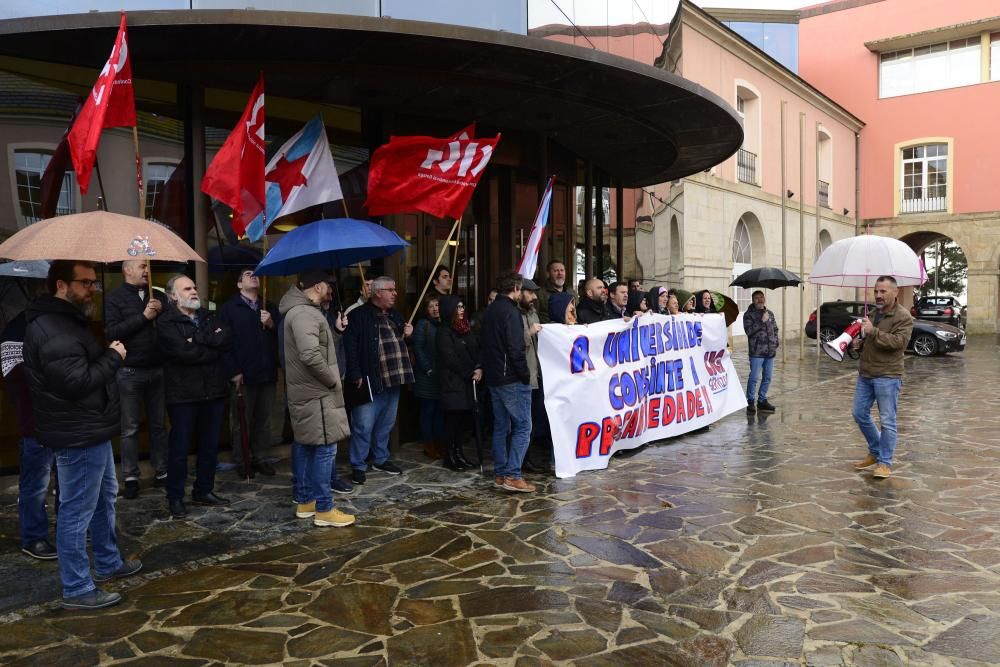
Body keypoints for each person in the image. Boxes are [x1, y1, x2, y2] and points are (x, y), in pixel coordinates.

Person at [23, 260, 141, 610]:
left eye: (94, 283)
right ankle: (76, 588)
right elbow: (77, 382)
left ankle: (107, 562)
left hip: (90, 426)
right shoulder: (51, 327)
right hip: (76, 431)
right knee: (76, 511)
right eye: (85, 283)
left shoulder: (68, 321)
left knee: (104, 498)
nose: (92, 289)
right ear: (61, 285)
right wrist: (113, 356)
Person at [280, 271, 355, 527]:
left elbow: (319, 345)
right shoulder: (303, 313)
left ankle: (306, 501)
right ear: (319, 286)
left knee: (306, 445)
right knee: (325, 449)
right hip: (317, 395)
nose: (330, 292)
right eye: (329, 287)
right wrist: (332, 380)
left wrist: (335, 330)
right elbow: (311, 355)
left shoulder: (304, 312)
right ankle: (324, 508)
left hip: (310, 394)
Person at [158, 274, 232, 518]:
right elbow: (183, 353)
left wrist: (196, 340)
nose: (193, 291)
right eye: (187, 288)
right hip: (183, 395)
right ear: (173, 296)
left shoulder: (209, 316)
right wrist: (206, 344)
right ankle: (176, 496)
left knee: (210, 445)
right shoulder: (166, 322)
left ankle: (204, 490)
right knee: (179, 448)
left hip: (213, 390)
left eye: (194, 287)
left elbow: (223, 339)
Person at [104, 258, 167, 499]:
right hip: (129, 371)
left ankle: (162, 470)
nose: (146, 271)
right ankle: (131, 476)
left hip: (157, 369)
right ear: (127, 270)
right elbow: (112, 332)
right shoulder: (114, 298)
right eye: (142, 266)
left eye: (148, 267)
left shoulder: (158, 296)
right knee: (129, 428)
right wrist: (144, 316)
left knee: (159, 425)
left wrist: (161, 313)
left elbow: (170, 326)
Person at [343, 275, 414, 485]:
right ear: (377, 293)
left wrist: (408, 333)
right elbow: (350, 347)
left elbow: (401, 340)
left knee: (386, 422)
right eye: (391, 290)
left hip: (395, 377)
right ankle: (358, 464)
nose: (395, 293)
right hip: (369, 379)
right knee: (363, 425)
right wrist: (355, 374)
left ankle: (381, 458)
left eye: (395, 289)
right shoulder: (357, 315)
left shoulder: (396, 315)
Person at [3, 308, 56, 560]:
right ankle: (33, 537)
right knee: (36, 484)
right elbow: (14, 376)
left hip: (67, 419)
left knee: (70, 481)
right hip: (35, 421)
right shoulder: (16, 328)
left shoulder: (60, 321)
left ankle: (74, 529)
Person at [851, 276, 913, 480]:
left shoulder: (903, 317)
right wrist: (859, 344)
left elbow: (899, 343)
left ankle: (884, 463)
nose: (878, 295)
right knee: (859, 413)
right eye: (876, 291)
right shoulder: (873, 313)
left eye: (883, 291)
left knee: (887, 420)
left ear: (895, 293)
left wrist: (873, 331)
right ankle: (876, 449)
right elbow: (872, 339)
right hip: (866, 373)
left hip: (888, 375)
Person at [219, 269, 279, 477]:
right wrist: (233, 371)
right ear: (238, 284)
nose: (254, 275)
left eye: (256, 274)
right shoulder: (228, 309)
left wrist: (272, 324)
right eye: (247, 274)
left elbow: (281, 338)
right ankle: (241, 459)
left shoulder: (269, 307)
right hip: (242, 375)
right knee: (241, 421)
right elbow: (224, 345)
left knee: (264, 420)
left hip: (267, 372)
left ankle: (260, 458)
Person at [480, 271, 535, 493]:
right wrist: (524, 375)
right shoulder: (510, 312)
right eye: (521, 289)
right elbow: (515, 348)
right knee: (523, 426)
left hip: (495, 377)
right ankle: (512, 475)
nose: (522, 293)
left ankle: (502, 474)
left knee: (502, 427)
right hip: (510, 377)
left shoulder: (492, 309)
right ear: (515, 289)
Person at [435, 295, 481, 472]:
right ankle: (450, 456)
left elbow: (474, 350)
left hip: (466, 384)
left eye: (462, 307)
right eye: (458, 307)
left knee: (462, 422)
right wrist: (470, 371)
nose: (461, 310)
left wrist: (478, 367)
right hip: (451, 384)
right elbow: (449, 358)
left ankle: (459, 454)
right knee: (452, 422)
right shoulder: (443, 331)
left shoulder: (465, 329)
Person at [519, 279, 551, 474]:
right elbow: (513, 343)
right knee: (524, 422)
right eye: (530, 293)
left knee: (533, 421)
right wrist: (529, 332)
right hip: (525, 376)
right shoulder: (516, 315)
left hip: (537, 375)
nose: (534, 297)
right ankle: (521, 460)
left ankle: (528, 458)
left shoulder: (533, 313)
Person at [413, 294, 445, 462]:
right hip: (427, 377)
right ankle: (428, 444)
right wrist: (428, 369)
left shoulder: (444, 324)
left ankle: (439, 442)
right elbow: (418, 348)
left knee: (439, 412)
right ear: (426, 309)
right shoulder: (422, 325)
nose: (435, 309)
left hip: (441, 377)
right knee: (428, 412)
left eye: (437, 305)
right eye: (431, 306)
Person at [743, 290, 779, 415]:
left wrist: (775, 343)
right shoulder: (749, 315)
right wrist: (761, 321)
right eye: (757, 298)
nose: (760, 300)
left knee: (767, 377)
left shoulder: (770, 313)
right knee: (754, 378)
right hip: (756, 352)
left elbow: (775, 329)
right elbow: (749, 331)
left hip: (770, 352)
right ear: (753, 300)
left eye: (762, 297)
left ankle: (762, 400)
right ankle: (751, 401)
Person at [537, 260, 567, 324]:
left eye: (562, 270)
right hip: (549, 331)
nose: (560, 273)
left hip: (569, 331)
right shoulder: (539, 293)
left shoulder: (571, 292)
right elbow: (534, 316)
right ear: (548, 274)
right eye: (556, 271)